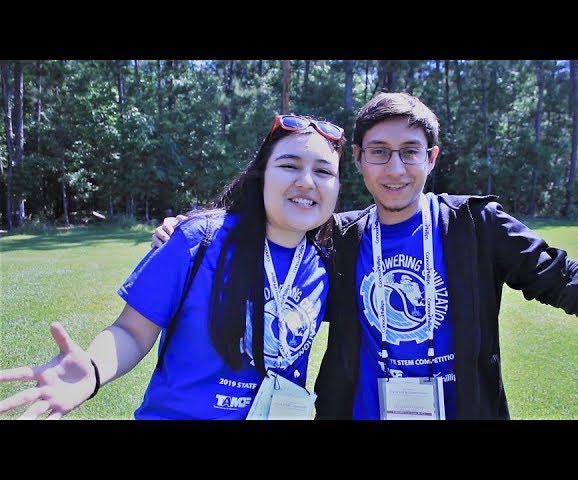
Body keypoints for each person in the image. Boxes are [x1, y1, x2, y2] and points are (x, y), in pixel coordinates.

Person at [152, 92, 578, 420]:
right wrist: (187, 228)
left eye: (410, 151)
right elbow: (266, 232)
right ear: (358, 159)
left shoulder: (475, 225)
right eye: (380, 152)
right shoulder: (337, 236)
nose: (396, 169)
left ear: (432, 157)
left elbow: (567, 280)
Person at [0, 113, 346, 420]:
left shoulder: (328, 264)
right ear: (261, 175)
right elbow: (131, 331)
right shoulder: (198, 240)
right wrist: (93, 369)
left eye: (323, 171)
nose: (307, 181)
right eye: (289, 165)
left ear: (337, 187)